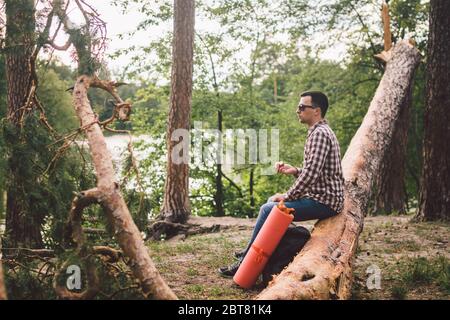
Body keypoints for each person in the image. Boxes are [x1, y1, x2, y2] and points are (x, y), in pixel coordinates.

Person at [218, 91, 345, 277]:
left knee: (269, 209)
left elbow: (310, 175)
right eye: (298, 106)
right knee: (271, 203)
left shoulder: (320, 134)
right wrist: (295, 171)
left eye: (302, 107)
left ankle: (246, 262)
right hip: (324, 197)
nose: (297, 110)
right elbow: (316, 172)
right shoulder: (319, 132)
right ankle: (251, 251)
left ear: (316, 111)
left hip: (325, 202)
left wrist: (287, 196)